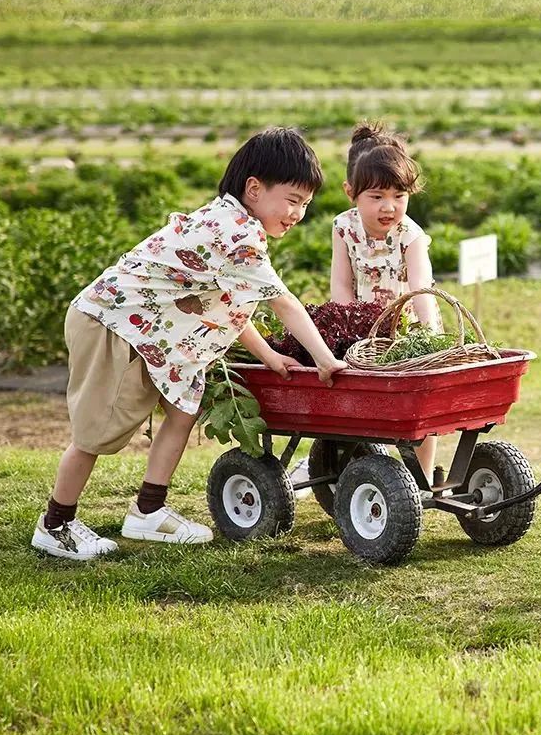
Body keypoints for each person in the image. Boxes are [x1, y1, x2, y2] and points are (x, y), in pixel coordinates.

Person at [31, 127, 347, 561]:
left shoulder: (232, 221)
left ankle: (148, 510)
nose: (298, 214)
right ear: (254, 189)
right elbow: (284, 303)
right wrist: (326, 360)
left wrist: (270, 355)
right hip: (113, 326)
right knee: (96, 432)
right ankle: (56, 524)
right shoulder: (235, 233)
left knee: (184, 406)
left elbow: (225, 305)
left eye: (305, 205)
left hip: (150, 332)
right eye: (292, 201)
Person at [329, 122, 442, 482]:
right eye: (376, 197)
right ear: (352, 193)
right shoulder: (343, 227)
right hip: (364, 334)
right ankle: (359, 467)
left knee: (417, 408)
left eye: (399, 196)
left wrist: (432, 339)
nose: (389, 207)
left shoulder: (411, 236)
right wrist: (350, 333)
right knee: (364, 404)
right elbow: (341, 284)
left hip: (409, 328)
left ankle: (422, 477)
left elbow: (422, 289)